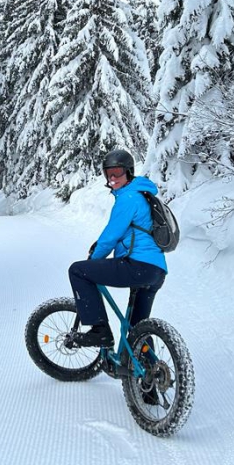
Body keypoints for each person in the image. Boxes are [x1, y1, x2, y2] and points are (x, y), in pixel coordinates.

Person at [67, 149, 167, 348]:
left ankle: (99, 332)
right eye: (108, 173)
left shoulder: (128, 198)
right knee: (137, 328)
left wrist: (93, 260)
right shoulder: (140, 194)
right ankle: (149, 373)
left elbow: (110, 237)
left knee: (78, 271)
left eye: (118, 172)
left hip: (138, 265)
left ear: (129, 172)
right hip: (156, 271)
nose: (112, 178)